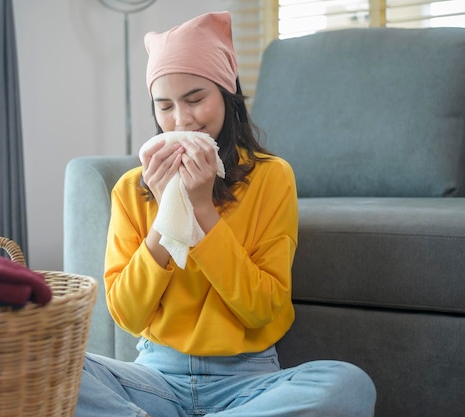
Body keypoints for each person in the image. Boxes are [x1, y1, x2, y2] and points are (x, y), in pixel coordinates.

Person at [75, 11, 376, 417]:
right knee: (52, 364)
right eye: (164, 106)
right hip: (156, 378)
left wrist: (201, 209)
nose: (181, 120)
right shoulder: (132, 188)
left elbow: (261, 309)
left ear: (227, 91)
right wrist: (168, 214)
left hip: (249, 382)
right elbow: (127, 315)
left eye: (196, 99)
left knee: (348, 386)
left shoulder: (271, 177)